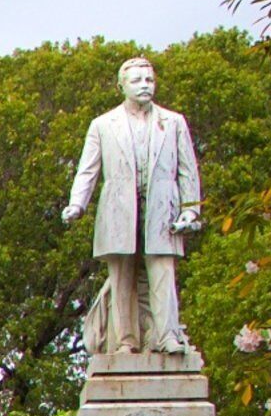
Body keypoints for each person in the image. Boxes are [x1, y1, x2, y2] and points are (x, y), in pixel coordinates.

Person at [63, 54, 206, 357]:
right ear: (122, 86)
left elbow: (187, 170)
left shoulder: (174, 122)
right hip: (118, 211)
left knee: (162, 273)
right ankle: (126, 341)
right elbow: (88, 170)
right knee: (122, 279)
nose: (145, 85)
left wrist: (190, 209)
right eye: (137, 80)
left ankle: (167, 336)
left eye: (149, 80)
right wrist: (77, 204)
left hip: (162, 211)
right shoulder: (103, 124)